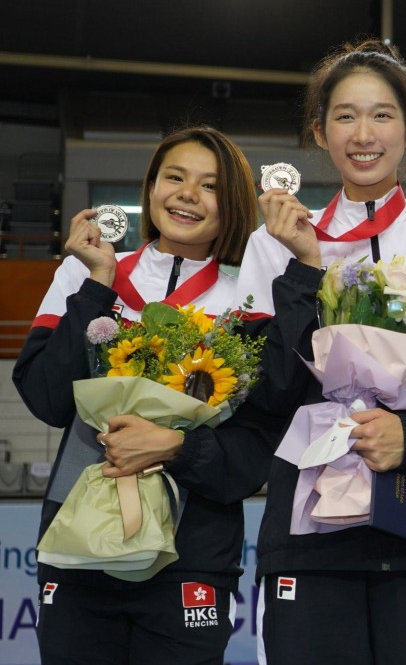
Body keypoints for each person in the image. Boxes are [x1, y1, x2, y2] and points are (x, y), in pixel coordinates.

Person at [237, 39, 406, 665]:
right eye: (345, 115)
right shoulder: (273, 244)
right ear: (320, 131)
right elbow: (270, 391)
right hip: (313, 538)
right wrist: (304, 270)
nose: (364, 133)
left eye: (383, 115)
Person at [12, 126, 289, 664]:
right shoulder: (85, 271)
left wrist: (176, 447)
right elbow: (46, 399)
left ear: (230, 203)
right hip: (78, 545)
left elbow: (253, 446)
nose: (187, 194)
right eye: (175, 177)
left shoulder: (248, 294)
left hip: (192, 554)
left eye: (209, 186)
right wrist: (97, 283)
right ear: (151, 187)